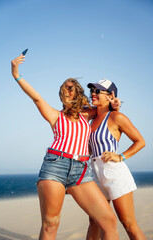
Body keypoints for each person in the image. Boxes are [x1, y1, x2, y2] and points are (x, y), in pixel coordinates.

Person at [11, 54, 120, 240]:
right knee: (51, 223)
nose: (66, 91)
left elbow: (104, 107)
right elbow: (36, 98)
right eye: (63, 89)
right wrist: (16, 74)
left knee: (108, 221)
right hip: (55, 166)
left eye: (70, 88)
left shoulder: (87, 114)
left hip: (82, 171)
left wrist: (114, 105)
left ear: (77, 91)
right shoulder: (55, 116)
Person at [86, 79, 146, 240]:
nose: (93, 93)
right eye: (92, 90)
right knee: (95, 221)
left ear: (110, 96)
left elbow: (140, 141)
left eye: (98, 91)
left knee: (128, 223)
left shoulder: (116, 117)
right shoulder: (91, 119)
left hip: (114, 174)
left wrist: (121, 156)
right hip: (96, 174)